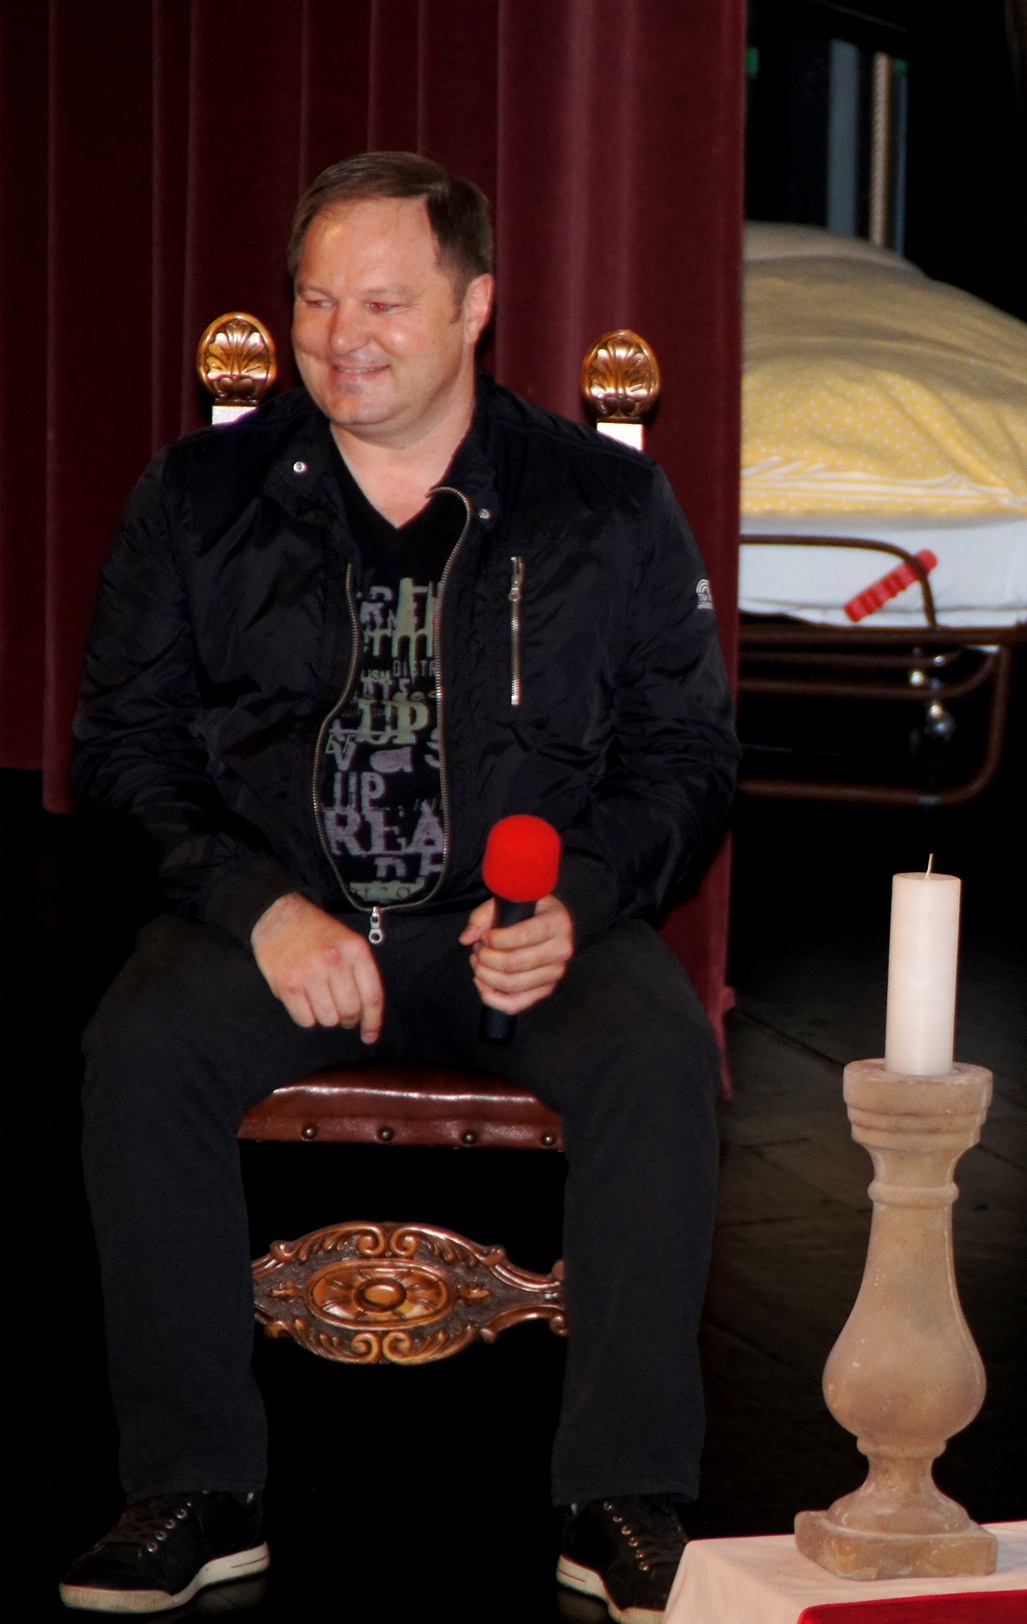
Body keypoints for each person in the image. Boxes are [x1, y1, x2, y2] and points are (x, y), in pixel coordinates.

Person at [63, 152, 736, 1622]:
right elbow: (120, 748)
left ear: (475, 306)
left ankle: (621, 1494)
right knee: (143, 1046)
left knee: (655, 1053)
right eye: (315, 301)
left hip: (517, 926)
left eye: (383, 303)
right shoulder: (202, 497)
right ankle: (194, 1485)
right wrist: (257, 907)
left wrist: (581, 901)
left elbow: (689, 755)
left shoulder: (602, 503)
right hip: (283, 918)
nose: (340, 338)